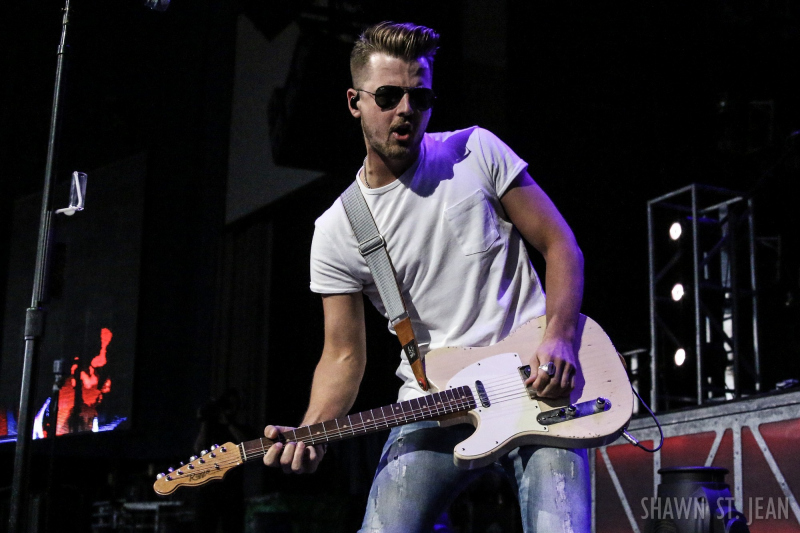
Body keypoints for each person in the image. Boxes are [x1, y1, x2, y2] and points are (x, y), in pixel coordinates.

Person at [263, 21, 589, 533]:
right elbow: (343, 355)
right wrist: (312, 429)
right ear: (355, 102)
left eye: (420, 96)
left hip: (537, 385)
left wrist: (562, 336)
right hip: (433, 403)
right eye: (389, 96)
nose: (406, 110)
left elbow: (560, 245)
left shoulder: (475, 151)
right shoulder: (337, 229)